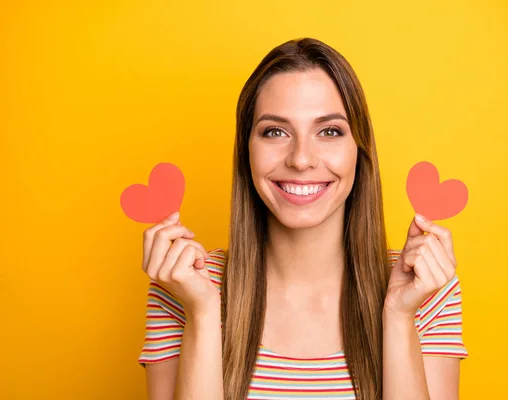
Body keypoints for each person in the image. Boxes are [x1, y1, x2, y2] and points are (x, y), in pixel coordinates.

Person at [137, 37, 468, 400]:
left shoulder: (425, 289)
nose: (301, 159)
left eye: (329, 131)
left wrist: (399, 316)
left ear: (359, 149)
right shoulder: (183, 287)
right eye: (275, 132)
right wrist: (201, 314)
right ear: (246, 151)